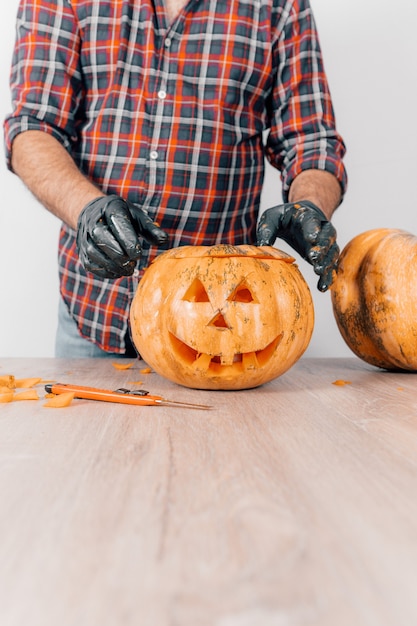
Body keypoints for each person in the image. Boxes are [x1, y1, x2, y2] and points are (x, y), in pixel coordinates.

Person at [4, 0, 347, 359]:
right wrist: (87, 210)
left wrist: (310, 204)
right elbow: (33, 128)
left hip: (225, 322)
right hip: (96, 311)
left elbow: (311, 140)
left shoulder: (279, 6)